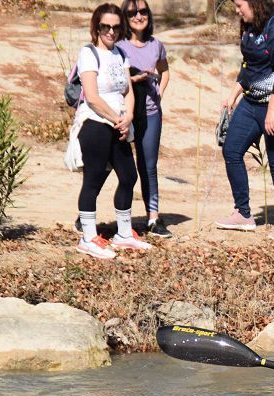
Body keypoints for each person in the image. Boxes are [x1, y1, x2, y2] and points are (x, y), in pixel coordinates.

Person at [217, 0, 274, 241]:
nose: (236, 10)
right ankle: (243, 213)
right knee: (232, 150)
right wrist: (233, 95)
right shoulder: (250, 26)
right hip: (253, 100)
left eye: (239, 5)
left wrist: (272, 111)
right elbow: (249, 65)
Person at [75, 3, 152, 259]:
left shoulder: (120, 54)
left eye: (116, 27)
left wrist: (128, 116)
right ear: (96, 26)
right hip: (96, 124)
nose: (111, 31)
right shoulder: (88, 53)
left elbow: (127, 89)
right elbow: (93, 97)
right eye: (106, 26)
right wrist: (117, 119)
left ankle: (124, 233)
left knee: (129, 176)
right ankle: (87, 237)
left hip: (119, 123)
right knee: (93, 179)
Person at [117, 0, 171, 238]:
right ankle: (87, 214)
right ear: (125, 18)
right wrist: (134, 80)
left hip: (150, 113)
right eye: (132, 13)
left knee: (148, 166)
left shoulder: (156, 45)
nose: (138, 16)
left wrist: (159, 92)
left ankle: (153, 218)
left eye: (143, 11)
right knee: (112, 165)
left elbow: (165, 71)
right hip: (122, 114)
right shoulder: (118, 46)